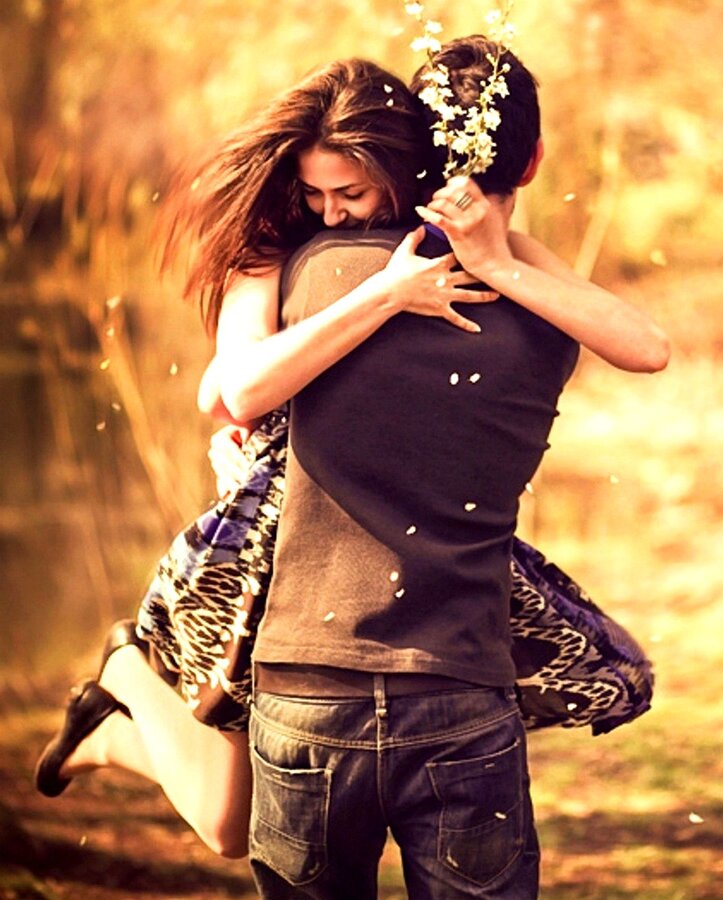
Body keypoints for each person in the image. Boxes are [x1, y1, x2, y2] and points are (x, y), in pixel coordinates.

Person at [33, 48, 665, 872]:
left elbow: (643, 344)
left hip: (367, 579)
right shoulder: (272, 247)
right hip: (265, 555)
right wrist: (383, 296)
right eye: (315, 193)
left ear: (400, 175)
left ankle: (110, 723)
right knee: (231, 821)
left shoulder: (472, 247)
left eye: (352, 193)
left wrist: (496, 264)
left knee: (228, 822)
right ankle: (126, 677)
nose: (331, 213)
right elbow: (227, 392)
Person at [242, 35, 666, 899]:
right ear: (534, 160)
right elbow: (646, 347)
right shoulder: (544, 306)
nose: (333, 211)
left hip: (305, 681)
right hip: (461, 682)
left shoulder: (311, 270)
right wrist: (500, 264)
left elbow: (235, 395)